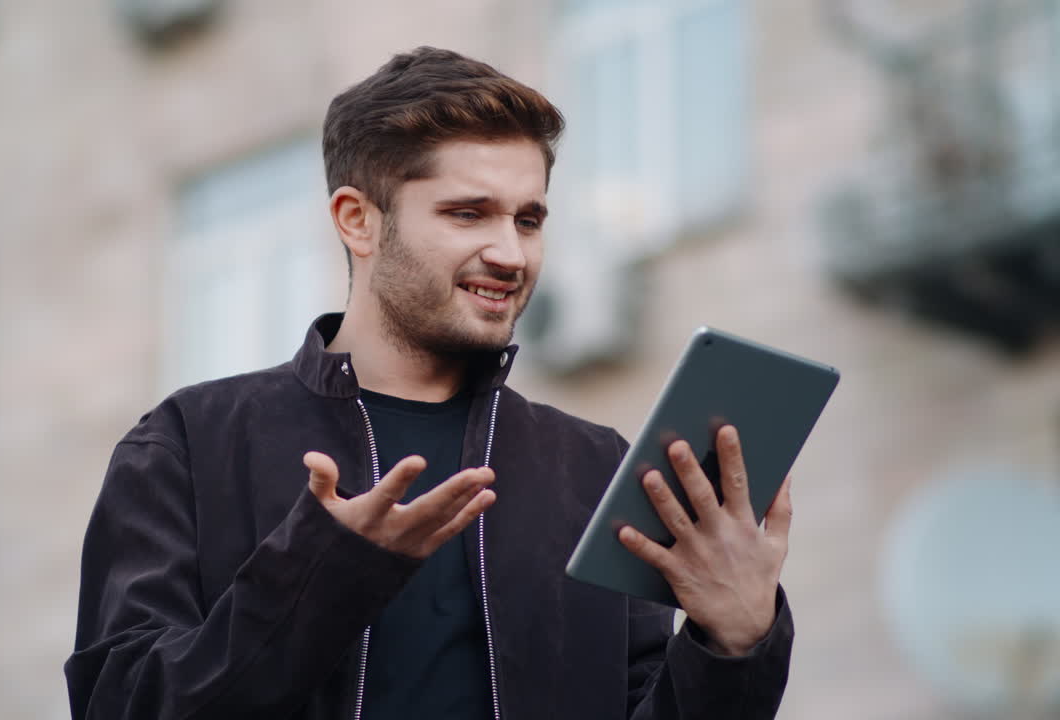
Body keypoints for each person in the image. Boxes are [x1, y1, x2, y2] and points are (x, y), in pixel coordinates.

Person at [65, 46, 795, 720]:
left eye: (529, 218)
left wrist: (733, 645)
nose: (510, 252)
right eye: (467, 213)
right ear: (359, 221)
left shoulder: (594, 469)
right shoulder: (191, 445)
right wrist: (320, 577)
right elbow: (121, 705)